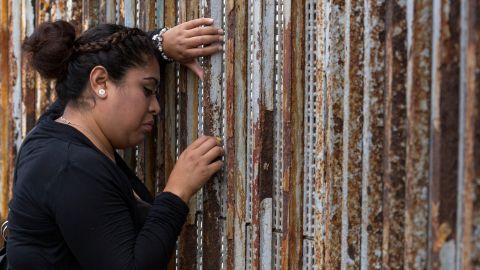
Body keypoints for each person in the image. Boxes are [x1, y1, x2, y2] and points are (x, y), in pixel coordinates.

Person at [6, 18, 225, 270]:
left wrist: (160, 44)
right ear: (100, 83)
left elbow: (93, 62)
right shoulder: (70, 167)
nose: (156, 106)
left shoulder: (55, 127)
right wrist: (177, 191)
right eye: (147, 89)